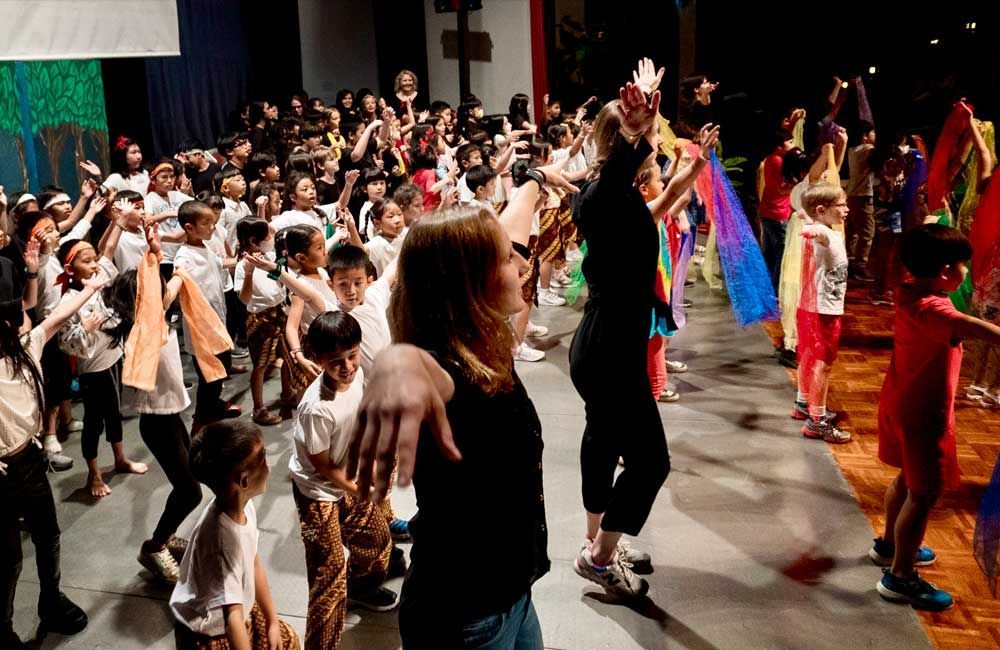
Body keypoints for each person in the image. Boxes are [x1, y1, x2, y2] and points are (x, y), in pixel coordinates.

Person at [569, 61, 684, 598]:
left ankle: (600, 538)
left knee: (603, 442)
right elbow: (617, 177)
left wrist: (676, 164)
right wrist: (639, 136)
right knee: (651, 461)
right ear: (619, 140)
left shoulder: (616, 196)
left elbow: (643, 209)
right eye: (643, 135)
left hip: (609, 342)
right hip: (608, 347)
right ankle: (599, 555)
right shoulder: (600, 194)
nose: (655, 140)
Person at [874, 224, 1000, 611]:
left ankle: (890, 544)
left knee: (906, 479)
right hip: (925, 414)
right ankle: (901, 576)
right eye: (965, 264)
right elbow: (982, 330)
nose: (967, 271)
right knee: (924, 493)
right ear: (947, 271)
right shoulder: (935, 310)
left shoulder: (909, 291)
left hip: (899, 401)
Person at [1, 257, 105, 649]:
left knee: (49, 535)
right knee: (7, 557)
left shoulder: (26, 347)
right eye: (18, 316)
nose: (26, 318)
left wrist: (91, 290)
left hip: (28, 458)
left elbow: (56, 318)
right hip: (1, 470)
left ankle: (51, 601)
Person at [289, 311, 397, 649]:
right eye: (337, 360)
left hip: (350, 474)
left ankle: (362, 590)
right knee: (329, 573)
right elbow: (321, 465)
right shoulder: (316, 407)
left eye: (352, 355)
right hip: (319, 492)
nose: (348, 365)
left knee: (377, 542)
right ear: (318, 359)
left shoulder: (359, 373)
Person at [170, 421, 299, 650]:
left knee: (287, 641)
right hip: (207, 633)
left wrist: (272, 621)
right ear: (244, 481)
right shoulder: (222, 541)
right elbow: (232, 619)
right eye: (263, 460)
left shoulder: (242, 505)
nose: (269, 467)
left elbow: (253, 561)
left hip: (233, 612)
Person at [171, 201, 240, 431]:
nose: (213, 227)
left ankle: (214, 406)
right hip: (201, 329)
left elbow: (221, 263)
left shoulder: (205, 247)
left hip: (217, 321)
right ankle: (201, 420)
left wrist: (244, 260)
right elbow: (178, 277)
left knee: (221, 369)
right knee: (209, 377)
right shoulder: (184, 257)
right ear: (189, 227)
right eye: (206, 223)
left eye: (213, 221)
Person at [793, 184, 852, 443]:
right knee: (823, 364)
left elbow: (812, 223)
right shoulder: (825, 234)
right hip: (825, 310)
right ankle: (818, 421)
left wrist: (807, 219)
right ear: (821, 210)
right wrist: (812, 226)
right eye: (841, 205)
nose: (847, 209)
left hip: (811, 306)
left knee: (808, 355)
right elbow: (818, 232)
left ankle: (803, 403)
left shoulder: (828, 231)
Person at [759, 128, 797, 291]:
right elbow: (780, 189)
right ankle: (775, 290)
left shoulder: (772, 159)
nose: (793, 145)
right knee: (780, 254)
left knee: (770, 252)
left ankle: (766, 287)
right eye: (790, 142)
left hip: (769, 211)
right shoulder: (777, 161)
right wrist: (797, 184)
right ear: (779, 146)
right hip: (777, 214)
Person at [846, 121, 877, 280]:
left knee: (852, 232)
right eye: (872, 133)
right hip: (863, 196)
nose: (875, 136)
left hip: (851, 194)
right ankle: (860, 266)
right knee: (867, 233)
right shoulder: (868, 150)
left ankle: (849, 262)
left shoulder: (852, 150)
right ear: (865, 136)